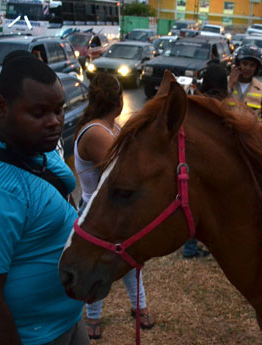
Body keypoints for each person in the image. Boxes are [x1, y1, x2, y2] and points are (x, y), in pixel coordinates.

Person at [0, 51, 89, 345]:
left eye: (59, 110)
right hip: (33, 337)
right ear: (1, 106)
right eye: (39, 113)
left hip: (67, 321)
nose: (55, 122)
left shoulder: (34, 145)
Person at [73, 73, 155, 339]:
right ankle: (93, 316)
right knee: (98, 264)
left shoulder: (110, 128)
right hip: (95, 210)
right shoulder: (97, 132)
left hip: (110, 208)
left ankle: (139, 306)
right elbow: (123, 171)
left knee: (130, 260)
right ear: (118, 101)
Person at [183, 63, 229, 260]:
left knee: (192, 207)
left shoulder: (194, 104)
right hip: (212, 166)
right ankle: (195, 247)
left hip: (190, 165)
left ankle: (190, 247)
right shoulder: (221, 108)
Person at [228, 45, 262, 123]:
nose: (248, 68)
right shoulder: (226, 83)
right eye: (244, 64)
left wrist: (261, 128)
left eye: (252, 65)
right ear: (238, 64)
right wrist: (230, 86)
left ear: (257, 68)